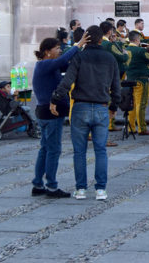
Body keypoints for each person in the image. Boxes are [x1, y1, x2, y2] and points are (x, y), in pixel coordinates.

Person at [50, 25, 121, 201]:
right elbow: (116, 86)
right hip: (101, 106)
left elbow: (67, 81)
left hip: (80, 107)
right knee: (100, 150)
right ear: (100, 40)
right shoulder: (110, 58)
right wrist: (114, 107)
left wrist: (55, 98)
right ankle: (101, 189)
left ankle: (81, 189)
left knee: (79, 151)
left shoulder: (79, 57)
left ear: (86, 39)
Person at [32, 32, 88, 198]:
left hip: (44, 112)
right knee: (53, 150)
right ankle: (51, 186)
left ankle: (37, 183)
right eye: (57, 48)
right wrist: (78, 44)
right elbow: (63, 60)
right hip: (50, 114)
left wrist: (81, 50)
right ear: (48, 51)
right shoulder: (44, 64)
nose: (60, 50)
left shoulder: (48, 65)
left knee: (45, 148)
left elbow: (67, 64)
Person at [125, 31, 149, 135]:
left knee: (132, 104)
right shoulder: (139, 50)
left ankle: (131, 127)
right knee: (141, 104)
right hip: (141, 80)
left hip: (130, 79)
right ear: (137, 39)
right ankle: (142, 128)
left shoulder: (126, 50)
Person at [100, 21, 128, 137]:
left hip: (99, 76)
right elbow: (122, 57)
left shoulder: (99, 42)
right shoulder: (108, 44)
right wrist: (124, 52)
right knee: (109, 102)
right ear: (109, 31)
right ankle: (106, 130)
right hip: (109, 75)